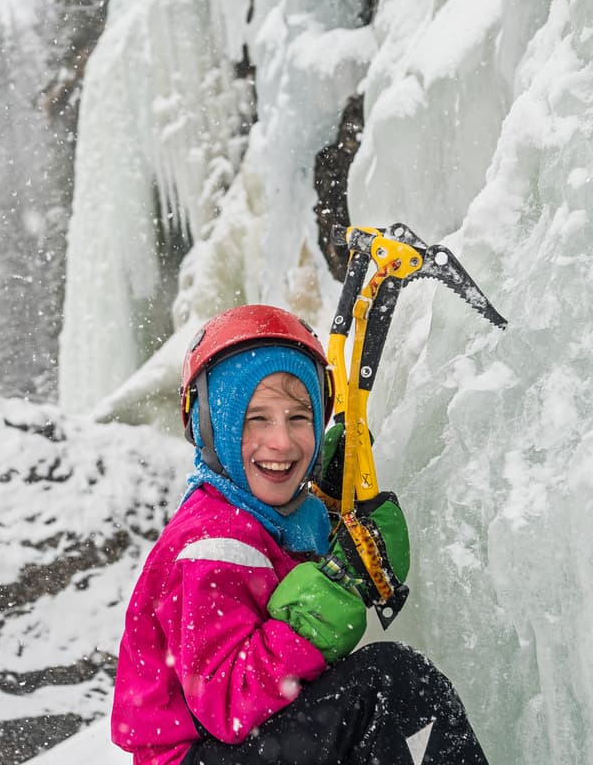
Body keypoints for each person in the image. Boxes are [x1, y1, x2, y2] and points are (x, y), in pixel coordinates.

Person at [110, 304, 486, 765]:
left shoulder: (270, 516)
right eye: (255, 419)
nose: (282, 442)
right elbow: (230, 704)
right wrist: (336, 586)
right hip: (199, 755)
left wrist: (331, 515)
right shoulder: (211, 543)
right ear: (211, 427)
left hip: (240, 748)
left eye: (299, 417)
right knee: (393, 681)